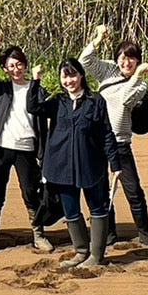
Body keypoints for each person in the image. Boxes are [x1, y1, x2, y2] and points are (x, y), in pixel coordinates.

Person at [28, 58, 119, 269]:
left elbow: (107, 133)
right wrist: (35, 80)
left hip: (91, 164)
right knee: (70, 210)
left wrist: (115, 164)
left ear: (81, 76)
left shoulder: (96, 101)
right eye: (65, 76)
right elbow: (33, 107)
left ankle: (96, 257)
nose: (69, 80)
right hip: (61, 166)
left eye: (73, 75)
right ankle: (81, 251)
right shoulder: (57, 102)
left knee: (98, 208)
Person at [79, 24, 148, 246]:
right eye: (122, 57)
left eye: (131, 58)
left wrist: (137, 76)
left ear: (138, 61)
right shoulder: (109, 71)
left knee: (133, 190)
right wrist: (98, 38)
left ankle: (144, 234)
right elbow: (85, 61)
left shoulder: (141, 85)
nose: (126, 62)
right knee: (101, 191)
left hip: (120, 143)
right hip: (98, 142)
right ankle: (109, 234)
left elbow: (125, 99)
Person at [0, 33, 52, 251]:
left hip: (26, 150)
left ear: (25, 65)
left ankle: (38, 235)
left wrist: (37, 81)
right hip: (0, 148)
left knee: (31, 193)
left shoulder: (36, 89)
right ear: (5, 68)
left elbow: (45, 115)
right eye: (12, 65)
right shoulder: (0, 88)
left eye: (20, 64)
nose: (16, 68)